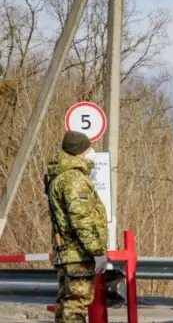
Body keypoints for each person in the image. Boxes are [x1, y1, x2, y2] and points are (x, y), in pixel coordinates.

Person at [44, 130, 108, 323]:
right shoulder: (74, 179)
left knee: (65, 305)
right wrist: (97, 251)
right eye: (88, 148)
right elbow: (82, 219)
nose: (91, 152)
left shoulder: (58, 176)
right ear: (78, 151)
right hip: (78, 254)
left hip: (65, 252)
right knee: (75, 308)